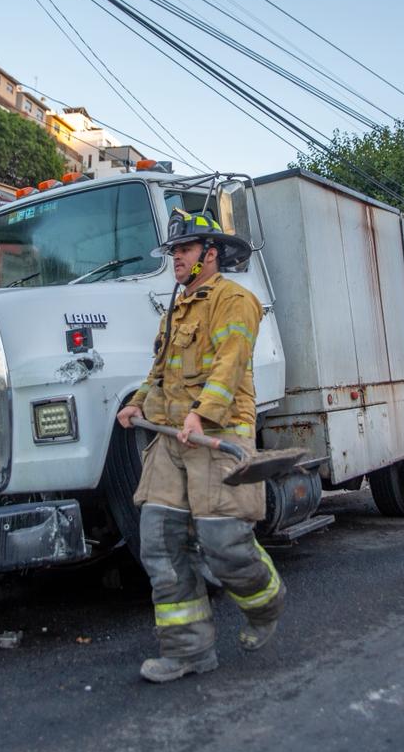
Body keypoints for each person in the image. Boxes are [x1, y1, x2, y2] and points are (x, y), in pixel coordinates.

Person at [116, 209, 285, 683]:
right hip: (171, 439)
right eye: (173, 251)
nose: (175, 258)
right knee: (160, 543)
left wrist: (202, 413)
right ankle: (188, 651)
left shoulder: (236, 299)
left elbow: (231, 363)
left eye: (184, 250)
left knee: (223, 545)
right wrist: (137, 402)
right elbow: (161, 371)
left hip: (217, 434)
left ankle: (266, 603)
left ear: (209, 255)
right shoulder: (177, 306)